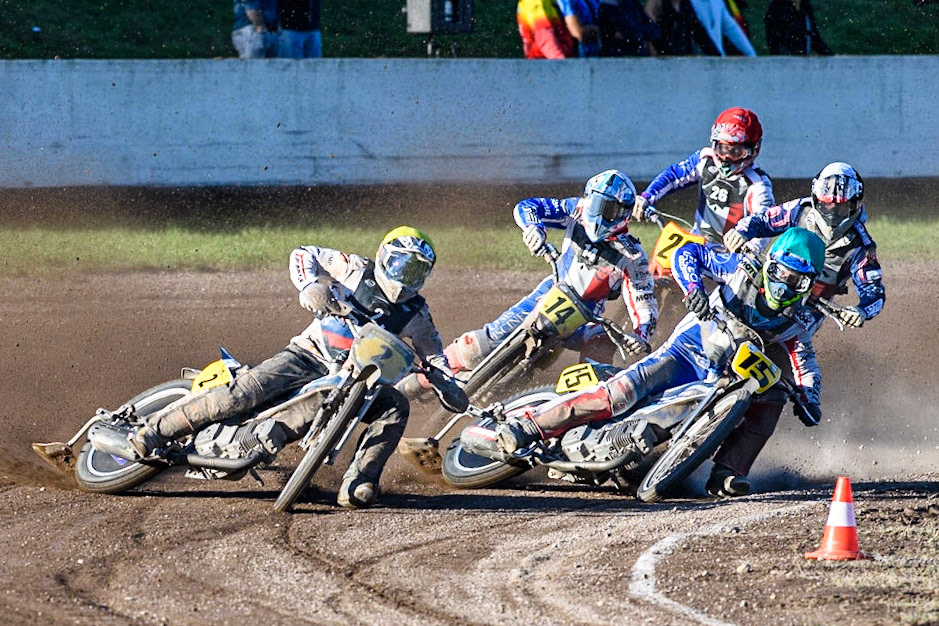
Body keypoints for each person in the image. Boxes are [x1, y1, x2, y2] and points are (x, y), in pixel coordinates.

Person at [116, 227, 455, 509]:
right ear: (384, 256)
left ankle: (361, 479)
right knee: (242, 395)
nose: (404, 277)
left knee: (395, 406)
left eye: (415, 271)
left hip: (359, 381)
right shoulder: (353, 268)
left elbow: (434, 355)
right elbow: (302, 253)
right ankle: (156, 430)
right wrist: (310, 286)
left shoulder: (417, 313)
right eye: (401, 265)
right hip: (307, 355)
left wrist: (447, 382)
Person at [493, 228, 829, 492]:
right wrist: (693, 288)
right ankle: (527, 428)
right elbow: (688, 253)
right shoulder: (740, 270)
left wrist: (809, 397)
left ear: (809, 285)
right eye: (781, 274)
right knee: (620, 394)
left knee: (774, 395)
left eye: (796, 281)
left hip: (720, 379)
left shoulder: (798, 320)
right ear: (769, 265)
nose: (784, 287)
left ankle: (728, 473)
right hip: (683, 353)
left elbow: (805, 363)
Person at [710, 163, 884, 496]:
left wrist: (861, 312)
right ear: (816, 198)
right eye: (828, 204)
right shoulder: (799, 209)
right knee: (702, 332)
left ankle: (728, 470)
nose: (833, 213)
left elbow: (875, 292)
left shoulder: (861, 246)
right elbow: (762, 220)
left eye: (842, 206)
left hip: (798, 320)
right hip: (761, 288)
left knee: (776, 389)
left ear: (857, 203)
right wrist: (741, 231)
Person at [427, 170, 658, 386]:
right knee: (479, 346)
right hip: (550, 292)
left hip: (586, 321)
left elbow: (644, 299)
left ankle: (577, 407)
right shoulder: (575, 210)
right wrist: (534, 229)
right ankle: (427, 375)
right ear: (589, 198)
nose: (601, 215)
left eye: (612, 211)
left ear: (626, 214)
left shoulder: (633, 254)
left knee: (599, 354)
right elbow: (528, 206)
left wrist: (640, 336)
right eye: (598, 205)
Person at [632, 107, 774, 257]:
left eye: (735, 152)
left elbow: (765, 223)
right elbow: (674, 175)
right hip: (696, 244)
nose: (726, 158)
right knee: (657, 273)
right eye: (722, 149)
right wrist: (646, 197)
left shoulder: (758, 185)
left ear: (753, 150)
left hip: (731, 258)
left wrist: (751, 251)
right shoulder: (705, 159)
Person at [645, 0, 755, 56]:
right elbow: (653, 34)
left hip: (705, 65)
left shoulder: (716, 2)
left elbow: (731, 29)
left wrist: (752, 56)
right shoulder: (660, 4)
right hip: (676, 66)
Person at [764, 0, 833, 56]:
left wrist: (832, 56)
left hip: (803, 66)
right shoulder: (776, 9)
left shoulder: (806, 8)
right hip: (783, 65)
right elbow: (776, 46)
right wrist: (800, 57)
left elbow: (816, 41)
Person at [598, 0, 662, 56]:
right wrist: (640, 32)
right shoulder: (608, 5)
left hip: (637, 57)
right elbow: (632, 32)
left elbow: (655, 32)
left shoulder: (633, 3)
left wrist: (637, 32)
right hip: (616, 60)